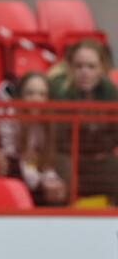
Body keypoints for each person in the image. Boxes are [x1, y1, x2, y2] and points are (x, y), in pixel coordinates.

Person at [49, 38, 118, 204]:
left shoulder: (110, 93)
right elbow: (60, 140)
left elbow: (112, 139)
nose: (84, 72)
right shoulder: (58, 92)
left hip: (99, 162)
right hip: (66, 160)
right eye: (79, 66)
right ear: (70, 68)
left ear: (102, 68)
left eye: (91, 66)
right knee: (60, 177)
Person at [0, 72, 67, 205]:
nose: (36, 99)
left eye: (41, 94)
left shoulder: (48, 122)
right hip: (13, 168)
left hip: (34, 170)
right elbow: (12, 154)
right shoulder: (8, 116)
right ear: (21, 95)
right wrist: (41, 182)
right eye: (30, 93)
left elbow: (46, 161)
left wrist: (53, 181)